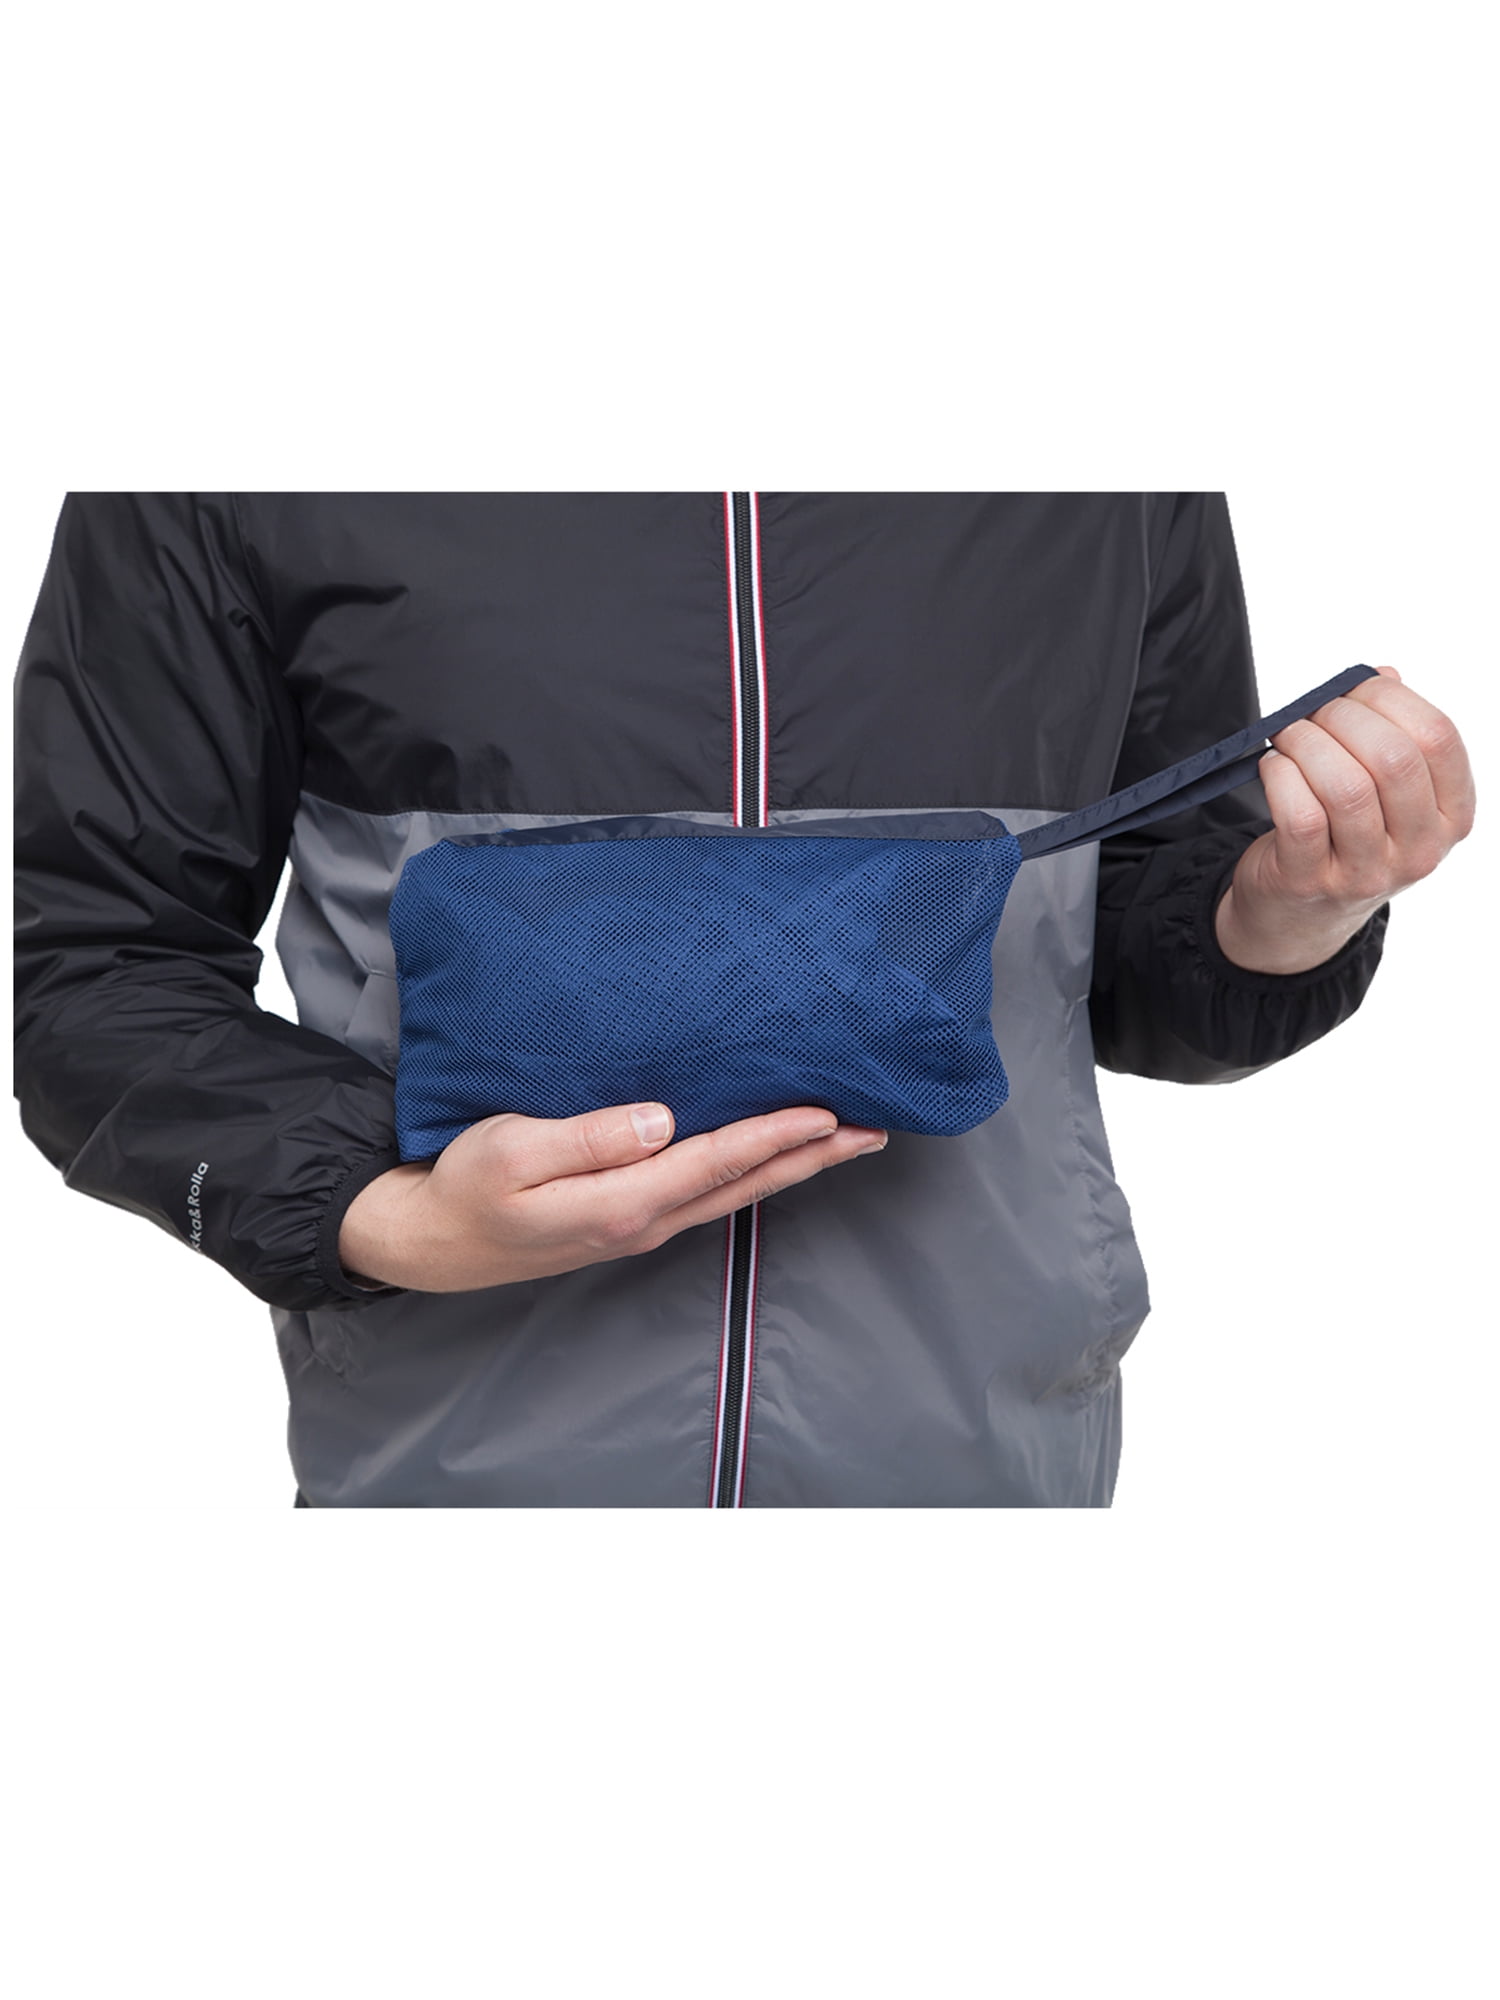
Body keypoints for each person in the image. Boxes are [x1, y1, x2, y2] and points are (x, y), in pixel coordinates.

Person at [11, 493, 1475, 1507]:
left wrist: (1288, 911)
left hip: (988, 1472)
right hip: (453, 1476)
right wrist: (383, 1218)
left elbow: (1138, 952)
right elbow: (93, 957)